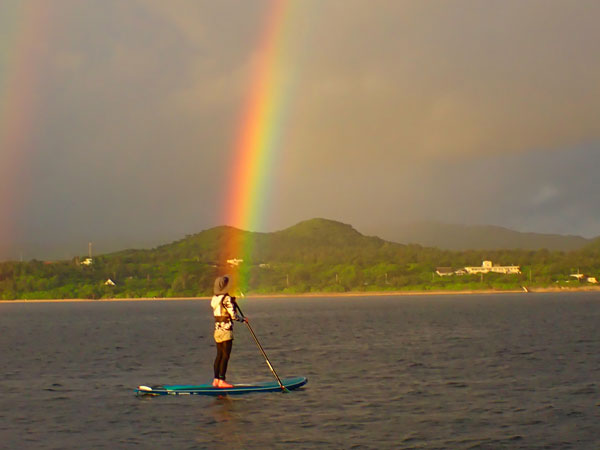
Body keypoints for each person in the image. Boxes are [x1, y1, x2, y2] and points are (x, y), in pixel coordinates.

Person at [211, 275, 246, 388]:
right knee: (225, 355)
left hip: (217, 330)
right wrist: (243, 320)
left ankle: (216, 380)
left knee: (219, 355)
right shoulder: (226, 298)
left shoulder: (214, 298)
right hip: (226, 329)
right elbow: (233, 315)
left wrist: (232, 302)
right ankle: (222, 380)